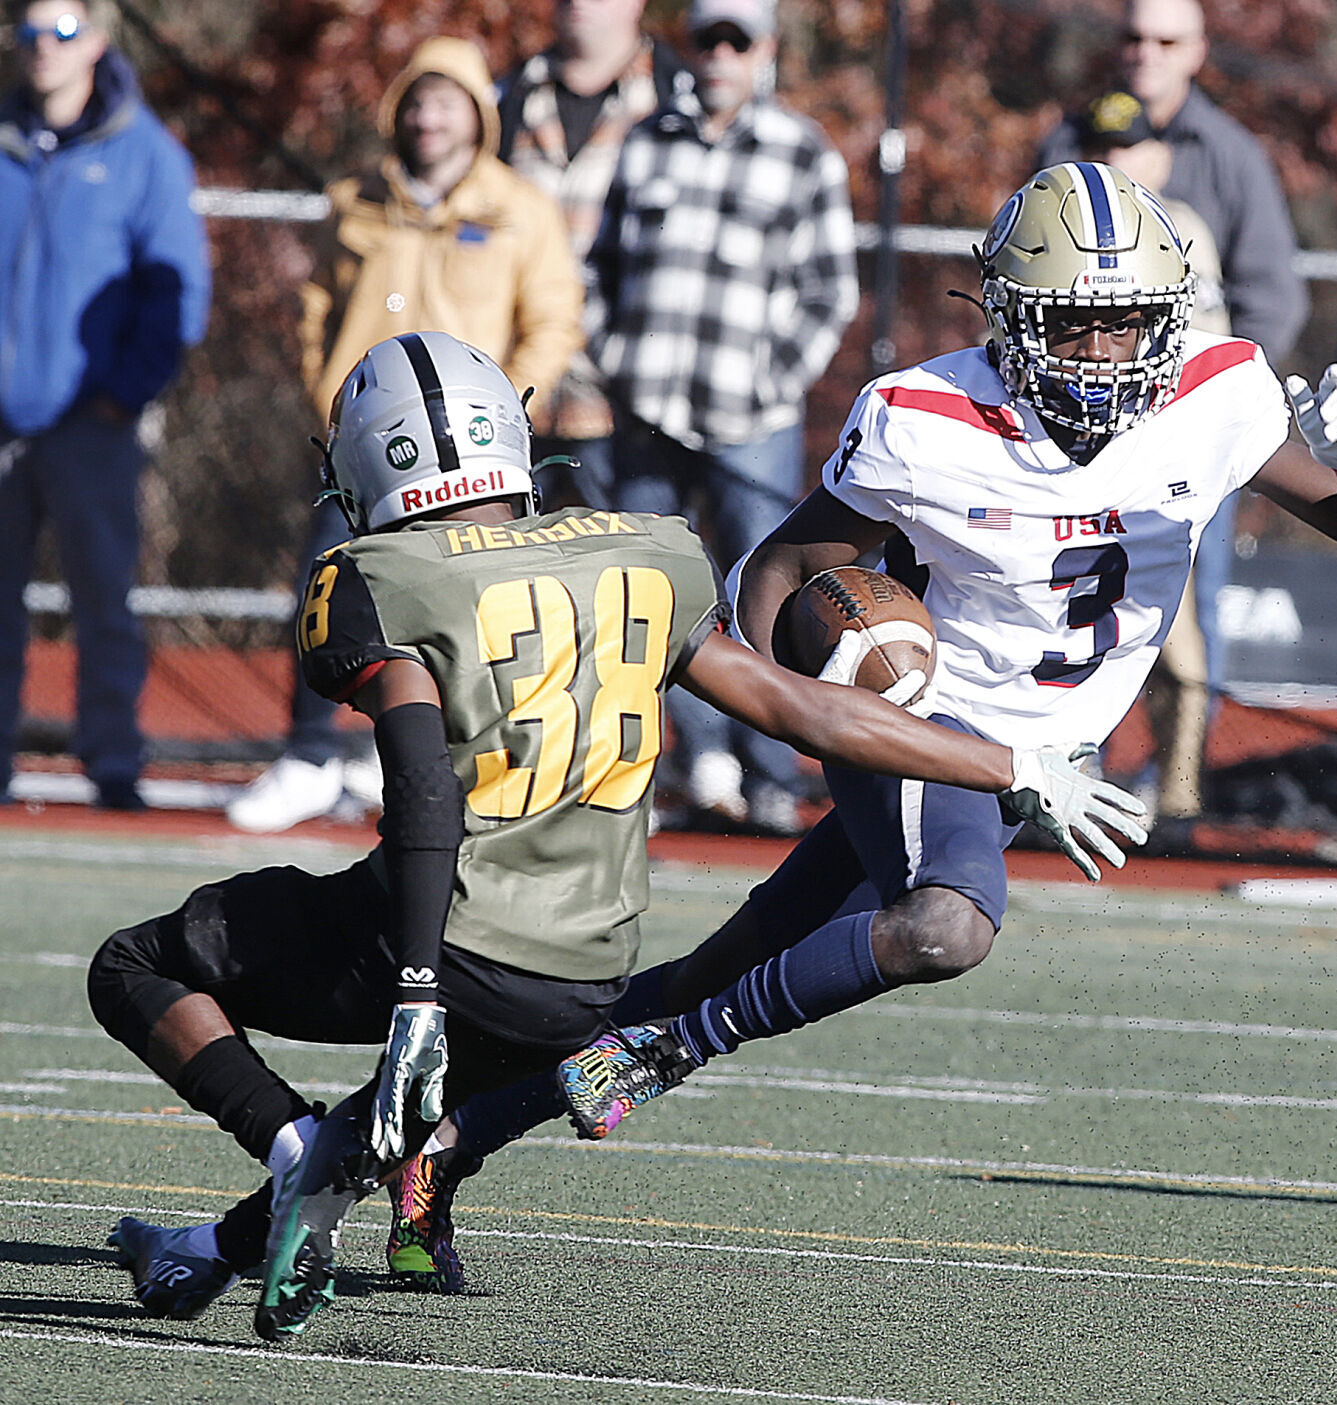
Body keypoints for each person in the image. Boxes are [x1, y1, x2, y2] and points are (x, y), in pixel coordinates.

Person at [359, 162, 1337, 1291]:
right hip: (933, 729)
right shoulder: (924, 419)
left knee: (728, 958)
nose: (1110, 353)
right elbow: (773, 573)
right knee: (945, 926)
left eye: (1131, 323)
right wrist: (818, 711)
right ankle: (669, 1053)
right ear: (1013, 321)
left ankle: (426, 1139)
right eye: (1079, 326)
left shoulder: (1217, 394)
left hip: (1039, 766)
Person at [92, 331, 1148, 1334]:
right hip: (585, 982)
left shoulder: (377, 579)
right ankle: (210, 1247)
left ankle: (292, 1154)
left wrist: (414, 986)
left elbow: (422, 788)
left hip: (441, 941)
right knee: (406, 1110)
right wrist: (1010, 763)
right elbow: (807, 711)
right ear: (514, 430)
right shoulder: (641, 554)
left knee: (134, 963)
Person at [226, 36, 584, 833]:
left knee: (479, 608)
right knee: (330, 585)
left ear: (478, 116)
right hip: (365, 450)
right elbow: (317, 305)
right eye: (416, 100)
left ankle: (474, 766)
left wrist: (509, 413)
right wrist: (329, 394)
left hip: (472, 454)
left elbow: (554, 320)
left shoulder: (520, 208)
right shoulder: (355, 198)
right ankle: (311, 755)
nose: (428, 117)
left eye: (447, 100)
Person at [587, 0, 860, 836]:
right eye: (707, 38)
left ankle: (770, 770)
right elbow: (596, 266)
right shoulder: (643, 141)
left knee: (761, 595)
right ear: (687, 47)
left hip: (753, 420)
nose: (720, 54)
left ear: (765, 51)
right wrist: (616, 359)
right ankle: (695, 763)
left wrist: (772, 379)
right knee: (659, 592)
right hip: (650, 412)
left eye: (736, 40)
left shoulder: (803, 151)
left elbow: (830, 291)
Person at [1038, 0, 1310, 744]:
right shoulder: (1063, 137)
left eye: (1166, 39)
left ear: (1197, 50)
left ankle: (1177, 792)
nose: (1145, 52)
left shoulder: (1221, 164)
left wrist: (1223, 407)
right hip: (1068, 431)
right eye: (1131, 36)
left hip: (1182, 434)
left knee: (1183, 610)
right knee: (1057, 597)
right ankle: (1060, 763)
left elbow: (1273, 301)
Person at [0, 0, 210, 810]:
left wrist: (122, 397)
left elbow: (176, 289)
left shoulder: (145, 154)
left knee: (103, 601)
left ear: (93, 40)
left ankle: (113, 760)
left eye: (59, 32)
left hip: (92, 427)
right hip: (5, 428)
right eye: (27, 34)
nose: (40, 50)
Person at [1076, 88, 1228, 849]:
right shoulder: (1053, 221)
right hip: (1067, 461)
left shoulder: (1182, 229)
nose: (1114, 161)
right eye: (1100, 145)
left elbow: (1207, 354)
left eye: (1129, 145)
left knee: (1176, 634)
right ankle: (1072, 779)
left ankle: (1177, 797)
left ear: (1158, 155)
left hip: (1163, 463)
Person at [497, 0, 691, 512]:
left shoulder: (677, 94)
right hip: (515, 395)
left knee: (633, 579)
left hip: (629, 405)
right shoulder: (507, 96)